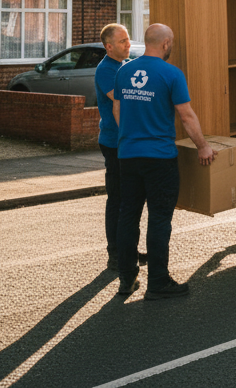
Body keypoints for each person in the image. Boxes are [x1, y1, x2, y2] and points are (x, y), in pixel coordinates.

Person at [113, 22, 215, 299]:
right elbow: (186, 116)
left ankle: (126, 279)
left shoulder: (124, 71)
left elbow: (117, 108)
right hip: (159, 158)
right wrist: (203, 147)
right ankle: (158, 282)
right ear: (166, 44)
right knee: (159, 219)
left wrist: (129, 137)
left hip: (128, 155)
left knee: (128, 216)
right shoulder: (171, 74)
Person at [94, 23, 147, 270]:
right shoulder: (106, 69)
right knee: (117, 199)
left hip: (129, 141)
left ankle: (130, 250)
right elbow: (124, 99)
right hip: (114, 142)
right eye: (123, 41)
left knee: (131, 199)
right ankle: (115, 254)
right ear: (109, 46)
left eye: (128, 39)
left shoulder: (125, 65)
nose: (128, 44)